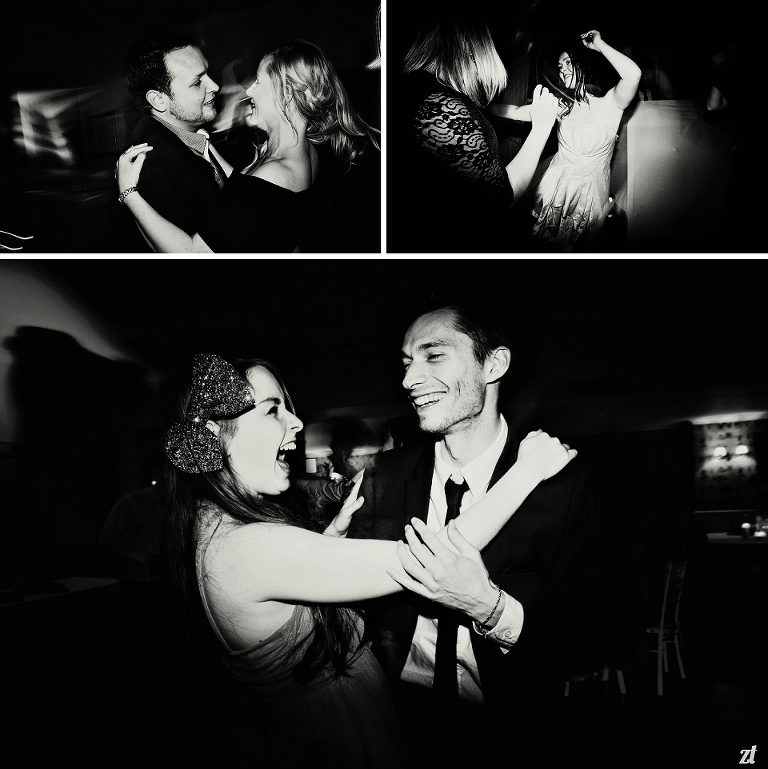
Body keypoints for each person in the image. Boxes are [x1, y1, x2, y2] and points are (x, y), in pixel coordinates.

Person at [159, 351, 577, 766]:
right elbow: (432, 561)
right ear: (214, 434)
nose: (297, 422)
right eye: (273, 411)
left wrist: (328, 541)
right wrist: (526, 473)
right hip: (340, 734)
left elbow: (273, 590)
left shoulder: (212, 523)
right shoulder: (247, 547)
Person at [345, 302, 607, 761]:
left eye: (434, 355)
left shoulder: (562, 485)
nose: (408, 380)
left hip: (511, 726)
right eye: (407, 363)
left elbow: (589, 636)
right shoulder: (381, 477)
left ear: (494, 364)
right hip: (396, 719)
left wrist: (490, 607)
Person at [117, 41, 379, 253]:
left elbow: (195, 254)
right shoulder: (306, 151)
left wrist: (129, 193)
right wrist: (210, 149)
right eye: (198, 81)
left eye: (259, 82)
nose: (249, 90)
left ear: (285, 95)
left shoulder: (277, 171)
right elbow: (248, 193)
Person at [387, 11, 560, 253]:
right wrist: (541, 129)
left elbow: (482, 111)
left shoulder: (422, 88)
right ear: (472, 49)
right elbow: (502, 198)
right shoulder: (441, 106)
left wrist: (525, 112)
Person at [489, 30, 641, 251]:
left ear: (583, 64)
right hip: (556, 189)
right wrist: (481, 104)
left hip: (589, 194)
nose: (563, 70)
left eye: (568, 62)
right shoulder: (562, 106)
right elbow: (516, 111)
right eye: (560, 66)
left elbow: (633, 75)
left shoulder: (611, 102)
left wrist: (599, 44)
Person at [115, 35, 230, 251]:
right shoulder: (158, 164)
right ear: (159, 100)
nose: (214, 86)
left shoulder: (190, 140)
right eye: (197, 82)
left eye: (208, 74)